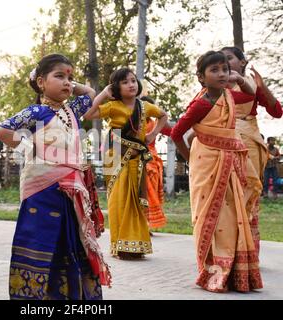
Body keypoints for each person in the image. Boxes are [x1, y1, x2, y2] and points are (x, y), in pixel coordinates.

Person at [0, 53, 109, 299]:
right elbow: (2, 130)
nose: (67, 82)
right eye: (60, 76)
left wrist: (69, 83)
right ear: (42, 82)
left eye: (70, 77)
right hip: (42, 191)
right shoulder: (36, 112)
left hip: (71, 191)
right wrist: (28, 149)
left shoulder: (72, 111)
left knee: (72, 243)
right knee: (40, 243)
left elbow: (89, 93)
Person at [171, 50, 263, 292]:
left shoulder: (228, 94)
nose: (222, 74)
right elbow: (176, 133)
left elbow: (251, 95)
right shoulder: (202, 103)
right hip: (207, 163)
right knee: (210, 218)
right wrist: (189, 157)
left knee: (232, 217)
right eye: (215, 70)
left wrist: (240, 79)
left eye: (224, 69)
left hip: (231, 162)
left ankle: (234, 272)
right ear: (201, 77)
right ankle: (212, 272)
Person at [84, 68, 168, 260]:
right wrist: (103, 94)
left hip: (136, 158)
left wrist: (152, 134)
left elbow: (163, 116)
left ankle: (136, 245)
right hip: (115, 158)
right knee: (118, 201)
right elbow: (88, 114)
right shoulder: (113, 106)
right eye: (124, 82)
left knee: (135, 202)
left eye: (133, 80)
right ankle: (120, 245)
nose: (131, 84)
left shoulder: (145, 107)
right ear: (116, 87)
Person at [221, 46, 282, 252]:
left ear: (243, 62)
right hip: (223, 140)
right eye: (221, 60)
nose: (225, 63)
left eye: (229, 58)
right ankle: (227, 249)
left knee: (248, 191)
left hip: (249, 141)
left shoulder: (252, 86)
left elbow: (277, 112)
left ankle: (247, 250)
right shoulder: (216, 86)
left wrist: (262, 88)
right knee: (227, 194)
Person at [141, 96, 172, 231]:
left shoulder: (155, 123)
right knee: (141, 192)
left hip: (152, 161)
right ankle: (142, 224)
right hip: (139, 159)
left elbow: (172, 131)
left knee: (150, 192)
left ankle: (148, 224)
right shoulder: (134, 120)